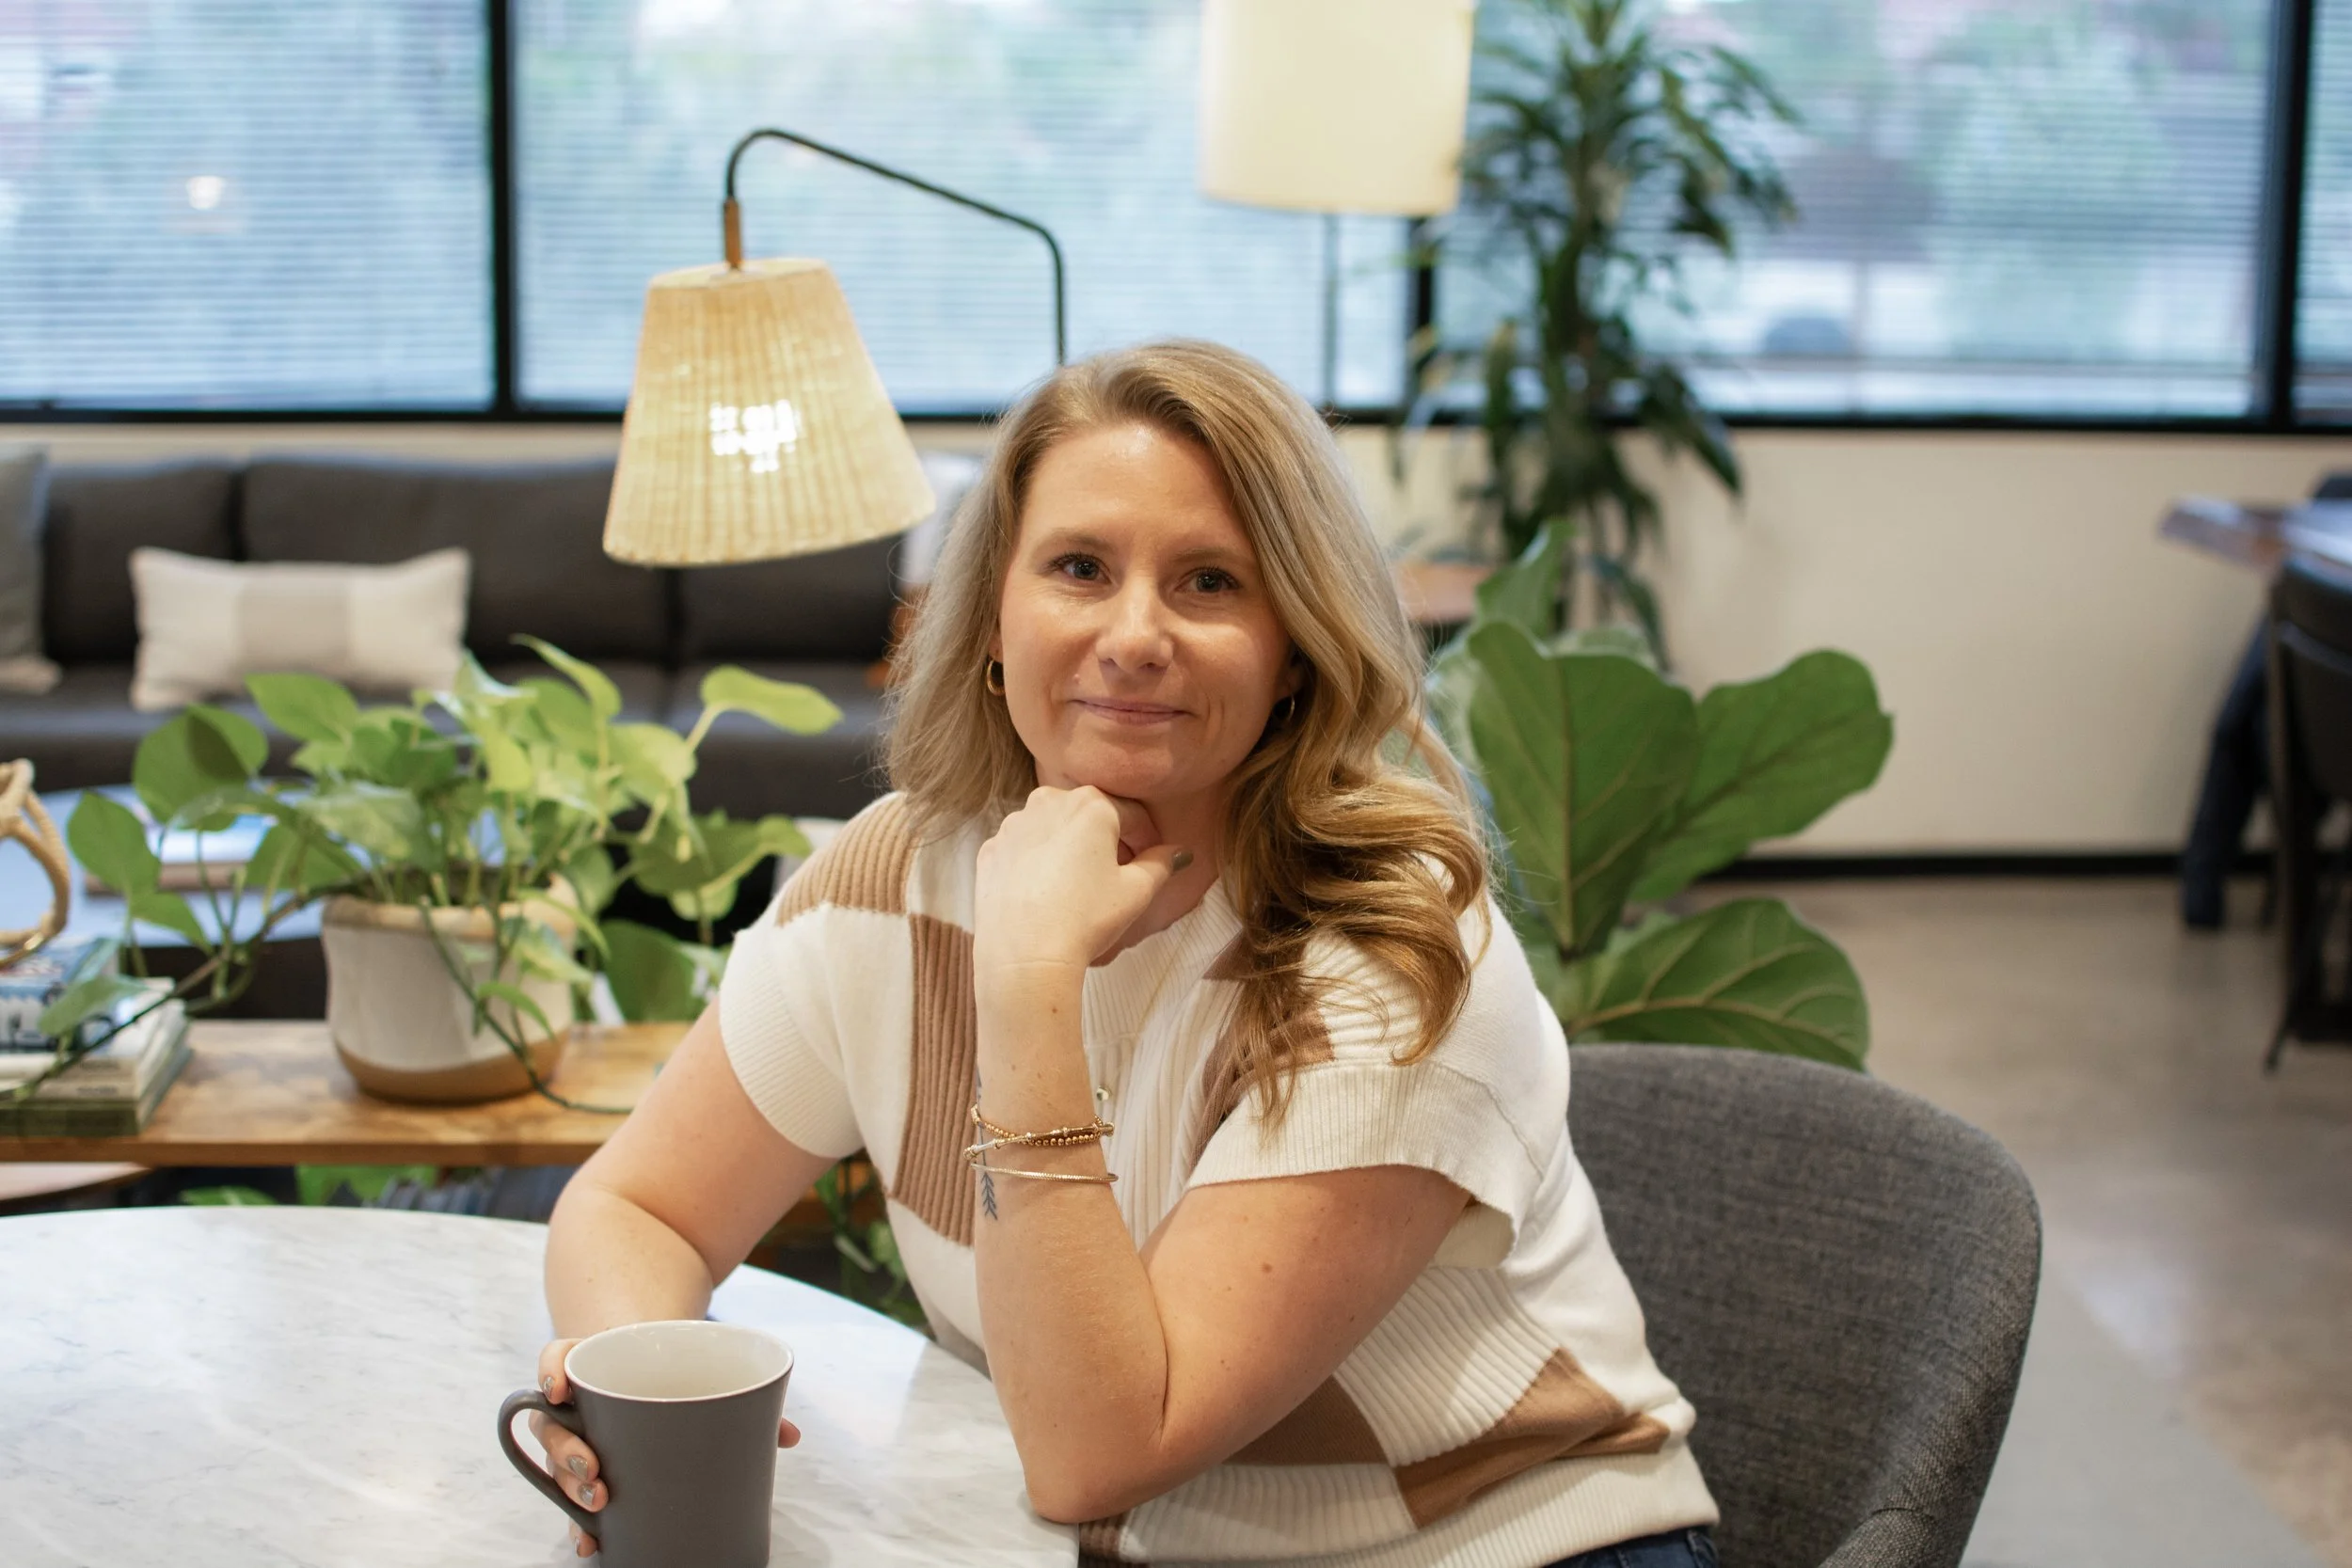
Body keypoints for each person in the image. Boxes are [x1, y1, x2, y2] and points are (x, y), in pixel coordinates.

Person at [530, 341, 1718, 1568]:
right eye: (1080, 567)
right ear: (994, 613)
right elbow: (640, 1204)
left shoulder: (1391, 948)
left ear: (1293, 647)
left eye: (1209, 582)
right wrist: (635, 1388)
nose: (1135, 634)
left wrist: (1028, 988)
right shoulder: (895, 875)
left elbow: (1102, 1446)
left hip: (1504, 1543)